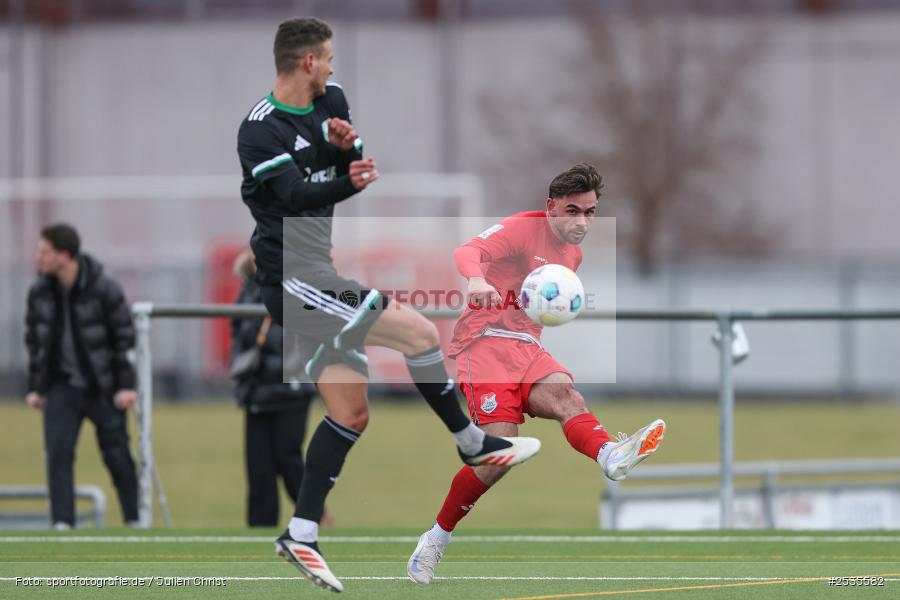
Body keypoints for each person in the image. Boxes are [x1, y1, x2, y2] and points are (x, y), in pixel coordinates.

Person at [236, 17, 540, 592]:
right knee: (421, 332)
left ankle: (300, 533)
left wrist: (354, 148)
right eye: (326, 58)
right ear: (306, 62)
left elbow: (345, 152)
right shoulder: (259, 131)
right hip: (292, 278)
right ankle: (472, 442)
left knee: (351, 412)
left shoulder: (333, 100)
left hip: (317, 271)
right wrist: (351, 180)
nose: (332, 67)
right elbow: (295, 197)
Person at [406, 164, 667, 584]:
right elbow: (467, 252)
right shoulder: (521, 228)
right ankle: (436, 537)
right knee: (500, 453)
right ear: (551, 208)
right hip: (484, 343)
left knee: (569, 398)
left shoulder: (574, 254)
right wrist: (475, 279)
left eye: (591, 212)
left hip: (527, 349)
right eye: (573, 211)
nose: (582, 222)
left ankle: (609, 455)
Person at [24, 223, 140, 529]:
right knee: (58, 456)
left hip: (103, 387)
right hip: (62, 387)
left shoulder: (105, 287)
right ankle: (62, 524)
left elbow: (124, 339)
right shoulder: (39, 292)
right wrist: (37, 388)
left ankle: (133, 520)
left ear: (64, 255)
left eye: (44, 251)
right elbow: (35, 342)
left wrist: (126, 386)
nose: (39, 257)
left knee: (117, 456)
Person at [231, 248, 323, 528]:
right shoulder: (248, 287)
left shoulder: (299, 285)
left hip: (291, 389)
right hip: (257, 388)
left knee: (288, 459)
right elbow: (238, 334)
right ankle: (260, 535)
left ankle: (313, 518)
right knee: (258, 470)